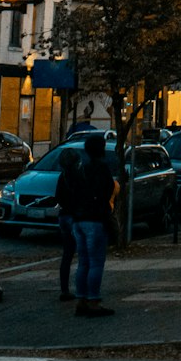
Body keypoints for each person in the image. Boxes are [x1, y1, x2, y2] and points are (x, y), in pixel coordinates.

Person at [68, 134, 116, 317]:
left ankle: (81, 300)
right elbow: (109, 189)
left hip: (79, 219)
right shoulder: (101, 168)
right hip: (95, 220)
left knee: (83, 262)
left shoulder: (82, 169)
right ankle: (93, 301)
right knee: (96, 262)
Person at [54, 146, 80, 301]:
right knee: (83, 254)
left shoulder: (62, 177)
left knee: (67, 255)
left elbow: (58, 197)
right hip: (75, 216)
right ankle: (82, 288)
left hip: (64, 216)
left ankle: (64, 289)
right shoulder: (79, 176)